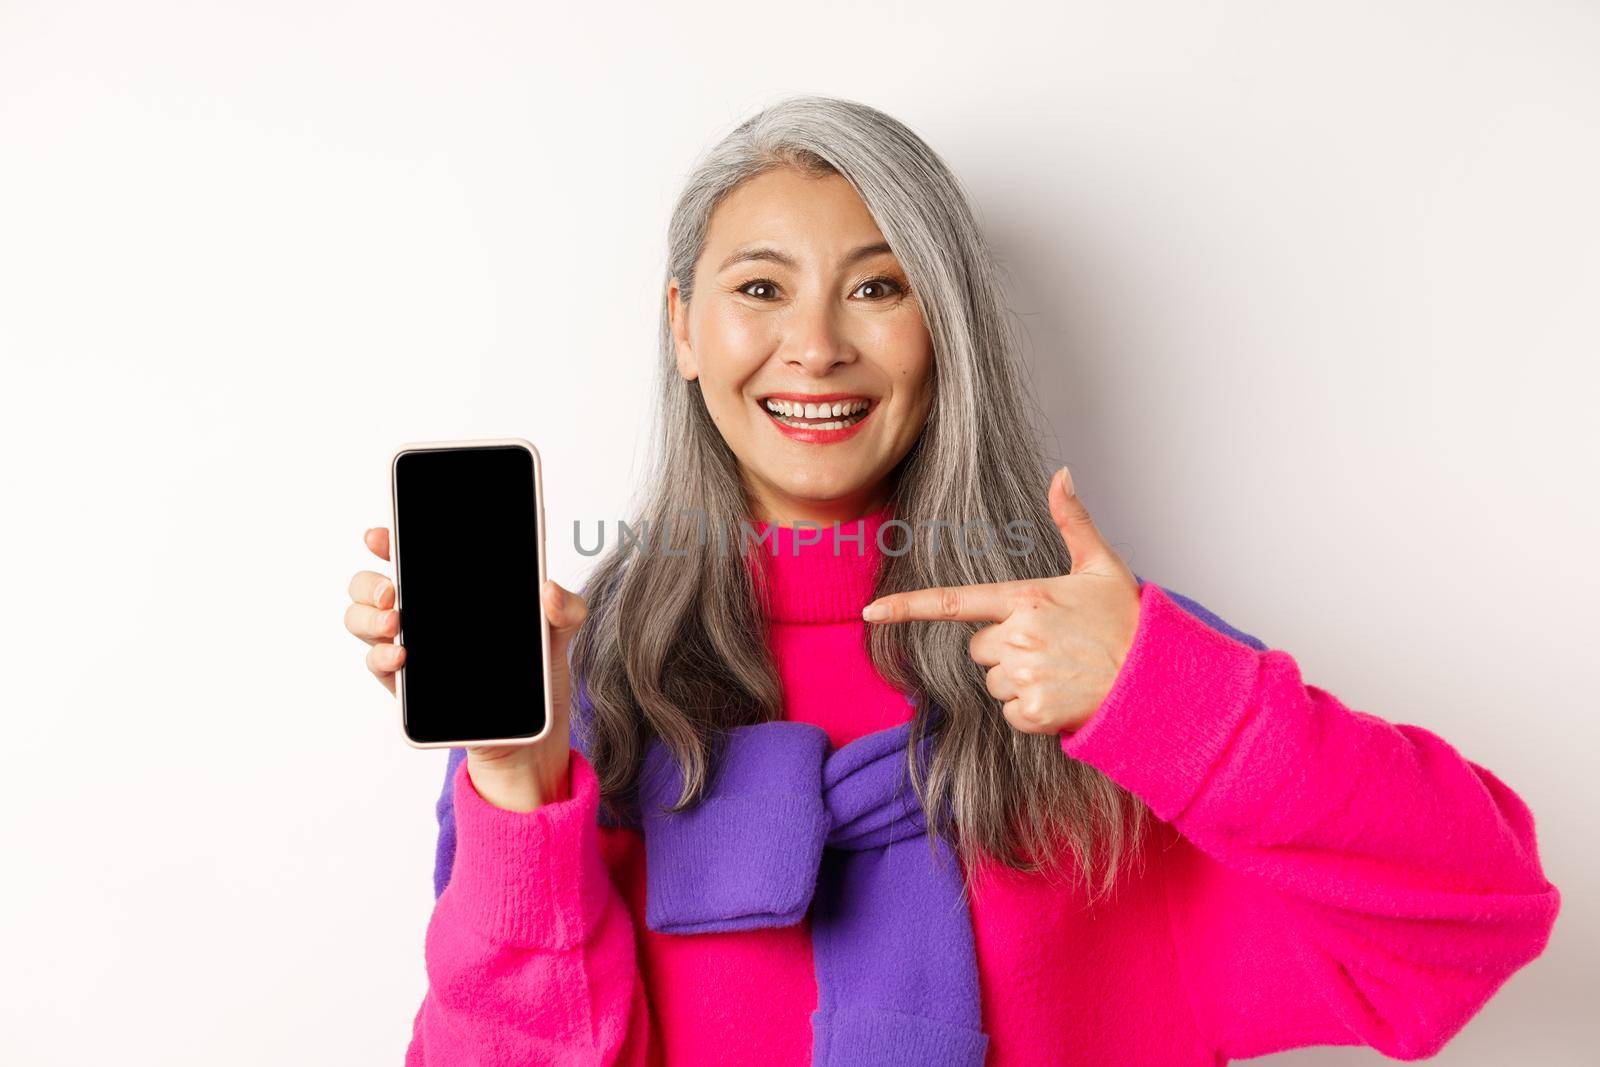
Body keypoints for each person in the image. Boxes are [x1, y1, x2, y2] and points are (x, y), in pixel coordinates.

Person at [344, 95, 1560, 1066]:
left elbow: (1480, 911)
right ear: (681, 326)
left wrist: (1159, 691)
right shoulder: (581, 689)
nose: (815, 343)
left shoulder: (1100, 655)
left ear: (950, 327)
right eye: (759, 287)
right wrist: (515, 780)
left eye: (879, 286)